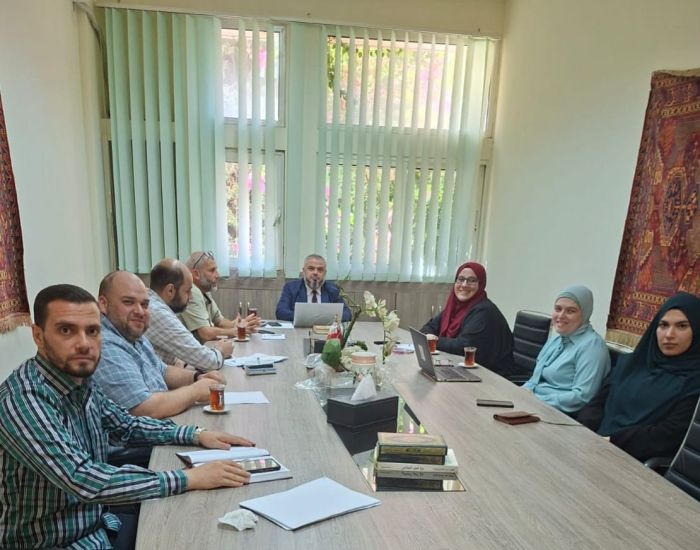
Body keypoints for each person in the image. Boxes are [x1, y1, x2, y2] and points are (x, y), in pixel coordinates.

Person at [0, 284, 254, 549]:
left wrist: (196, 434)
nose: (84, 343)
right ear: (38, 336)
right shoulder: (24, 399)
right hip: (56, 542)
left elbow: (126, 425)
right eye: (66, 330)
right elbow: (82, 479)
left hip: (98, 524)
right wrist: (188, 478)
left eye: (92, 331)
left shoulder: (80, 381)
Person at [578, 292, 700, 462]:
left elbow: (669, 434)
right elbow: (598, 402)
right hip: (593, 444)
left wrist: (612, 441)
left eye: (682, 326)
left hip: (632, 461)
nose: (669, 334)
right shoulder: (632, 363)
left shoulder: (694, 382)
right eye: (663, 325)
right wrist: (583, 430)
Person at [93, 271, 225, 419]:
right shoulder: (105, 345)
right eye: (128, 302)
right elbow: (143, 409)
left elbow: (161, 370)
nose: (140, 311)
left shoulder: (130, 332)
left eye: (144, 304)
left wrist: (196, 377)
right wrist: (196, 391)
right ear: (103, 304)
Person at [523, 285, 610, 414]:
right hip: (534, 403)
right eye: (558, 309)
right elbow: (534, 380)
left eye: (570, 311)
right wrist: (520, 393)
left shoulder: (592, 347)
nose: (561, 316)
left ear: (584, 314)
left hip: (557, 414)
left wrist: (538, 401)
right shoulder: (558, 339)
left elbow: (581, 397)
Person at [420, 261, 515, 376]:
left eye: (472, 280)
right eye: (460, 279)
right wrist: (429, 337)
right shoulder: (454, 307)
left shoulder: (484, 311)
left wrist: (432, 341)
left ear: (481, 284)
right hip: (462, 368)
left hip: (491, 376)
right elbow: (427, 328)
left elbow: (464, 347)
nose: (464, 285)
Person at [145, 259, 233, 371]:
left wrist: (180, 362)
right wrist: (221, 351)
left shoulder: (154, 304)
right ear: (170, 290)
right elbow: (209, 362)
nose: (191, 297)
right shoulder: (158, 312)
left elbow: (180, 356)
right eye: (187, 291)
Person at [180, 250, 260, 342]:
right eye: (212, 270)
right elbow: (205, 334)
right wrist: (235, 331)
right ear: (196, 274)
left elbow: (220, 321)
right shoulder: (191, 292)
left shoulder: (204, 291)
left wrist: (239, 324)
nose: (218, 275)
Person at [275, 253, 351, 321]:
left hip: (325, 330)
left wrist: (320, 318)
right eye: (311, 268)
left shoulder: (333, 289)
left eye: (320, 269)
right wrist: (312, 317)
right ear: (304, 271)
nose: (315, 272)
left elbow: (347, 314)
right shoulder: (291, 287)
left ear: (325, 273)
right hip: (299, 329)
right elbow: (281, 312)